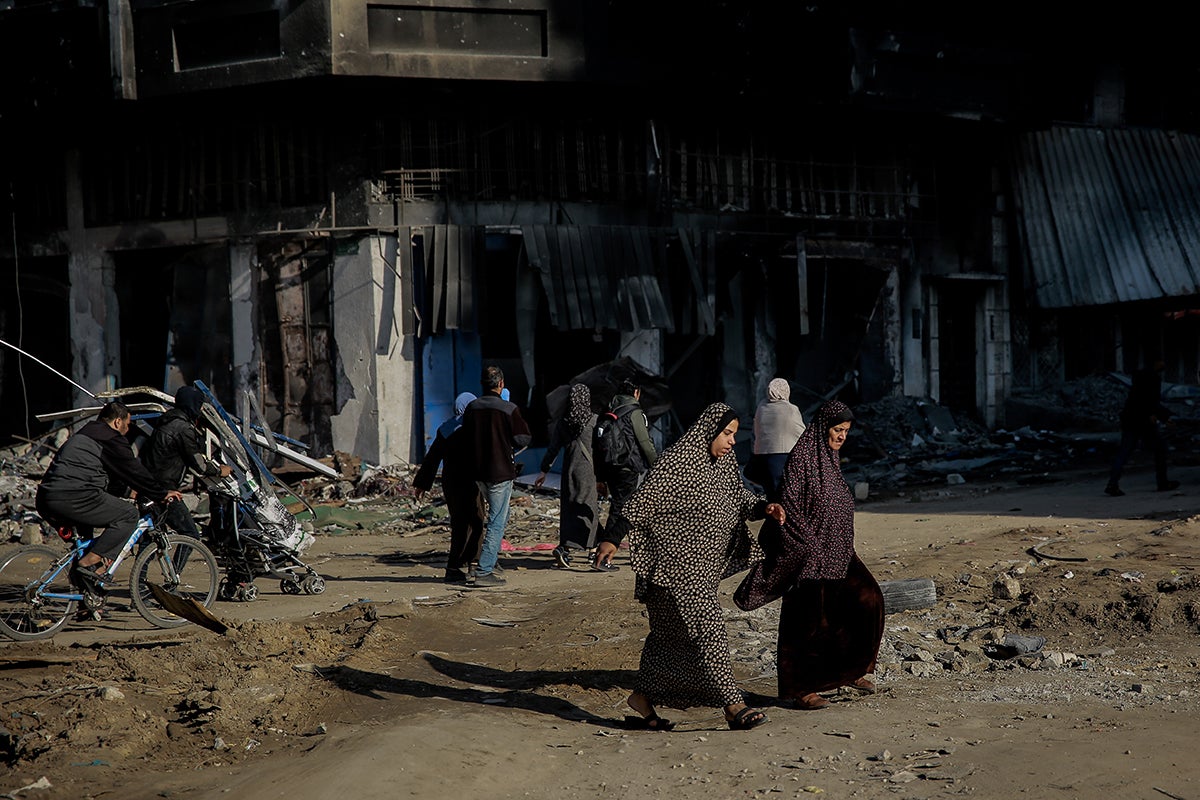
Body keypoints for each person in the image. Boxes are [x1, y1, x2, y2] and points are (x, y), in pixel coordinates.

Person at [620, 402, 785, 731]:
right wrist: (611, 539)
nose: (732, 441)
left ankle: (642, 697)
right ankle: (733, 705)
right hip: (673, 568)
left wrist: (764, 507)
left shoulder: (722, 464)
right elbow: (638, 505)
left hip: (702, 571)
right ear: (709, 430)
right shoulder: (678, 463)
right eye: (727, 433)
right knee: (710, 630)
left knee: (669, 641)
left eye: (735, 435)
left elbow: (738, 497)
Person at [734, 400, 884, 711]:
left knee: (868, 599)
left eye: (846, 431)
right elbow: (789, 506)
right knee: (807, 621)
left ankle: (851, 670)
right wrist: (809, 547)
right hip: (810, 552)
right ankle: (799, 689)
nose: (842, 436)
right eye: (838, 430)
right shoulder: (801, 459)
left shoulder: (830, 457)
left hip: (840, 550)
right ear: (822, 427)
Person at [36, 401, 183, 593]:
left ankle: (87, 600)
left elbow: (99, 473)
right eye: (127, 424)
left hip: (48, 497)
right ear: (117, 422)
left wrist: (128, 492)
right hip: (75, 496)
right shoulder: (110, 438)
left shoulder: (85, 435)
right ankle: (90, 562)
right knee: (128, 515)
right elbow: (133, 470)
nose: (128, 429)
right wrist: (161, 493)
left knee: (86, 543)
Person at [461, 366, 532, 587]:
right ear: (501, 384)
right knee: (496, 522)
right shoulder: (509, 409)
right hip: (500, 473)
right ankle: (484, 570)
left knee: (497, 517)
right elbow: (522, 439)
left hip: (479, 472)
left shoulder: (472, 408)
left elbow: (466, 436)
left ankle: (488, 563)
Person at [139, 385, 233, 544]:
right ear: (193, 404)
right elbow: (199, 465)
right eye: (199, 404)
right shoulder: (182, 428)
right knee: (191, 536)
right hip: (164, 489)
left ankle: (144, 569)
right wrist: (220, 470)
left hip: (150, 486)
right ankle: (175, 570)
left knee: (154, 539)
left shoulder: (166, 421)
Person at [413, 392, 485, 585]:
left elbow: (432, 458)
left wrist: (421, 483)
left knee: (460, 525)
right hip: (471, 481)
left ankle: (454, 568)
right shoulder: (473, 429)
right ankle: (473, 564)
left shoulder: (446, 429)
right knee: (477, 522)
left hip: (451, 483)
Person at [593, 379, 658, 572]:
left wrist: (600, 475)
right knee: (622, 509)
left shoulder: (607, 412)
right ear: (636, 393)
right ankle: (603, 553)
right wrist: (658, 466)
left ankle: (634, 550)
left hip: (609, 466)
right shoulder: (635, 412)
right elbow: (645, 442)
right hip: (628, 467)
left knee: (623, 507)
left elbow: (596, 446)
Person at [533, 384, 600, 569]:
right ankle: (592, 551)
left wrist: (543, 471)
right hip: (589, 472)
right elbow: (602, 450)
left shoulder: (563, 423)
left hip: (569, 472)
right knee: (589, 510)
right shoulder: (595, 421)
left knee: (569, 511)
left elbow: (553, 449)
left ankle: (566, 549)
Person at [1105, 359, 1179, 496]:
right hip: (1142, 421)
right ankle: (1162, 482)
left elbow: (1142, 401)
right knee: (1160, 449)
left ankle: (1112, 483)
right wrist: (1164, 416)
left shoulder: (1139, 378)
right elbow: (1150, 401)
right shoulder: (1152, 378)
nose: (1164, 364)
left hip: (1131, 419)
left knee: (1124, 452)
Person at [747, 378, 806, 502]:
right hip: (785, 457)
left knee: (772, 496)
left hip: (761, 457)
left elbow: (756, 432)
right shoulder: (791, 409)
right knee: (787, 496)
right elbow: (801, 433)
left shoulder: (761, 407)